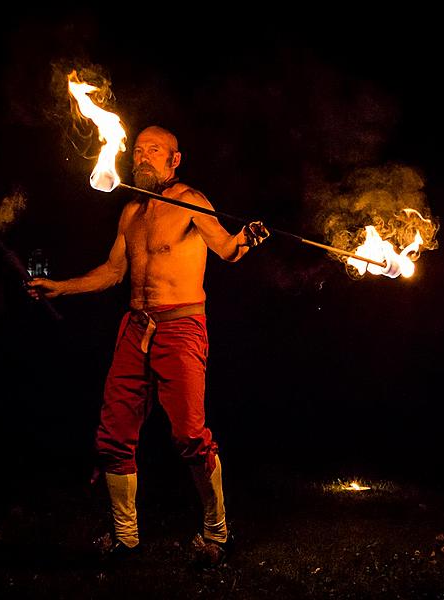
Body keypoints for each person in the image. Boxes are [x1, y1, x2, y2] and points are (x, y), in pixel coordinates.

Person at [27, 125, 269, 566]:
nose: (142, 157)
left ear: (175, 160)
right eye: (138, 150)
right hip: (135, 327)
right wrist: (61, 287)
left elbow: (227, 250)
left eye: (154, 151)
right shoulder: (131, 213)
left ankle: (218, 534)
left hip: (181, 326)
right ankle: (126, 538)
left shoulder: (191, 201)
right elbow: (112, 271)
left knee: (190, 435)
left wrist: (246, 240)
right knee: (113, 433)